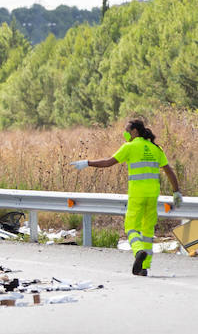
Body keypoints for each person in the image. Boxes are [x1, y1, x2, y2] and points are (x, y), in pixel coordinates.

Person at [70, 118, 183, 276]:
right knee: (148, 231)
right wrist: (176, 191)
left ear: (135, 131)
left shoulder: (129, 147)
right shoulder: (156, 148)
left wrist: (87, 163)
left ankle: (138, 252)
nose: (125, 133)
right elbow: (169, 171)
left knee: (131, 228)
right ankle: (144, 267)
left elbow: (108, 162)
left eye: (127, 130)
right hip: (153, 195)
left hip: (137, 194)